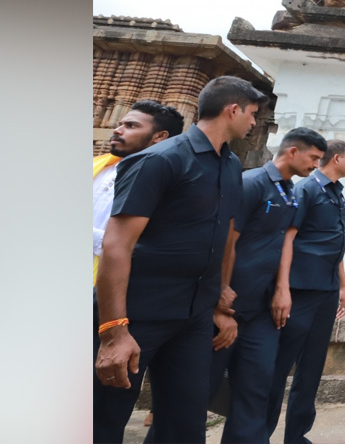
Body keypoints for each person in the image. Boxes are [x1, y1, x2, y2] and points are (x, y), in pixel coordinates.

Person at [93, 76, 266, 443]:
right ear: (232, 110)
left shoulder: (231, 165)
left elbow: (219, 236)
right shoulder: (159, 160)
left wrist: (218, 301)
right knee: (102, 418)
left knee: (184, 424)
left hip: (193, 317)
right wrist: (114, 332)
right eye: (252, 114)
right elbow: (116, 246)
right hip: (139, 310)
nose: (253, 123)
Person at [210, 128, 327, 443]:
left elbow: (283, 245)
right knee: (197, 393)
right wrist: (221, 295)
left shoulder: (289, 191)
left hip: (262, 311)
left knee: (256, 391)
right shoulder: (251, 184)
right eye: (313, 157)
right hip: (228, 307)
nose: (317, 165)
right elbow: (227, 241)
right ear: (292, 152)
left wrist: (281, 289)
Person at [267, 139, 345, 444]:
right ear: (336, 159)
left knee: (312, 366)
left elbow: (336, 243)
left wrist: (343, 285)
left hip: (326, 288)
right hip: (300, 288)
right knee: (279, 364)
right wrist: (283, 288)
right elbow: (288, 237)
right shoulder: (306, 190)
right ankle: (259, 432)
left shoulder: (337, 194)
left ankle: (296, 435)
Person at [94, 101, 185, 286]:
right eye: (120, 124)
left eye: (131, 126)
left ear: (160, 136)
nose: (118, 130)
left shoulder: (170, 185)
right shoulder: (97, 166)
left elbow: (143, 246)